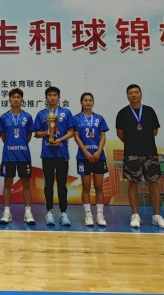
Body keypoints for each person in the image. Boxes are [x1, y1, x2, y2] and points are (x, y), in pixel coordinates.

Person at [116, 84, 164, 229]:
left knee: (153, 183)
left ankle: (156, 216)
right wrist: (133, 143)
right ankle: (135, 215)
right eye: (130, 93)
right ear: (127, 96)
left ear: (141, 94)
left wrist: (143, 140)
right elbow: (120, 133)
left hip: (150, 153)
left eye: (136, 92)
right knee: (133, 184)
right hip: (131, 154)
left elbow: (154, 131)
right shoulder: (123, 113)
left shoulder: (149, 111)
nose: (133, 95)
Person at [34, 86, 75, 226]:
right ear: (46, 98)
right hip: (47, 154)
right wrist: (47, 132)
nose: (52, 97)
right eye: (50, 95)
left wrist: (60, 139)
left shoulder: (66, 113)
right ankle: (49, 212)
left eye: (55, 95)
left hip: (62, 153)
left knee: (62, 184)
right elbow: (36, 134)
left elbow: (72, 132)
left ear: (59, 97)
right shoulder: (41, 114)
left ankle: (63, 213)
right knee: (48, 184)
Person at [0, 88, 35, 225]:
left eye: (18, 97)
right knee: (7, 183)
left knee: (26, 183)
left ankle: (28, 213)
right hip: (8, 155)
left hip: (23, 155)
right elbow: (3, 136)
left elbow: (29, 135)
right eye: (13, 97)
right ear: (9, 100)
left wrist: (20, 145)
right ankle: (6, 212)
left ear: (22, 100)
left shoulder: (28, 117)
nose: (16, 99)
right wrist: (12, 145)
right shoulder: (4, 117)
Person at [73, 93, 109, 227]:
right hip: (84, 157)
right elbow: (76, 136)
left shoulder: (99, 118)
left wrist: (99, 151)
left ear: (93, 102)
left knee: (99, 186)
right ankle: (88, 214)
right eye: (85, 100)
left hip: (99, 156)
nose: (88, 102)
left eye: (90, 100)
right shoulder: (76, 118)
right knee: (86, 186)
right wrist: (86, 152)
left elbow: (103, 136)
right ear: (81, 102)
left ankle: (100, 214)